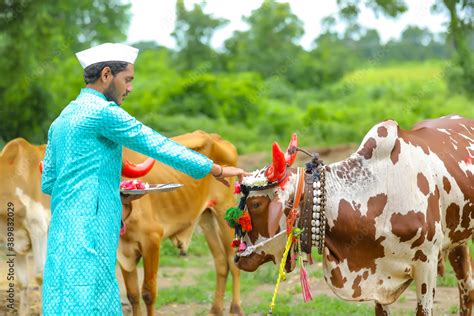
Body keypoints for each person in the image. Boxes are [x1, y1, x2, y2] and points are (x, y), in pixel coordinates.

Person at [41, 43, 248, 315]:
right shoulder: (103, 112)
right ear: (106, 75)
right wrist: (215, 169)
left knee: (62, 297)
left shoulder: (62, 118)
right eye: (127, 80)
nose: (129, 88)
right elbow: (154, 143)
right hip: (93, 227)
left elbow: (50, 183)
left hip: (62, 229)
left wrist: (114, 192)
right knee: (94, 299)